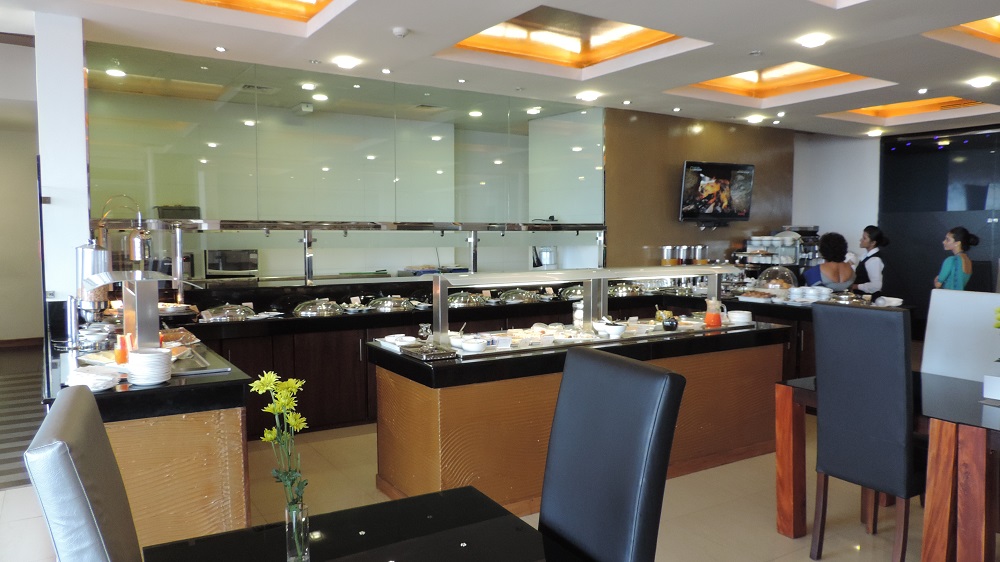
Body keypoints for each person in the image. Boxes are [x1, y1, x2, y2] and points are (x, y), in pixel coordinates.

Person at [850, 225, 889, 299]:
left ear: (873, 243)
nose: (861, 240)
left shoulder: (874, 260)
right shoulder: (866, 256)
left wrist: (856, 286)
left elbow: (876, 285)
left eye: (864, 238)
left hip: (869, 299)